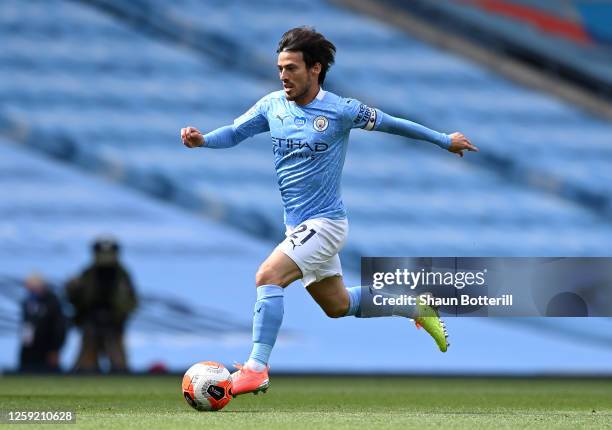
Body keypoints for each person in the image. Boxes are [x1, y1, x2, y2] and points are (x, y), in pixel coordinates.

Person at [181, 27, 478, 396]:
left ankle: (256, 368)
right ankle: (412, 305)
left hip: (326, 224)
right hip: (297, 226)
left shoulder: (341, 110)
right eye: (280, 68)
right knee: (338, 305)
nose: (283, 76)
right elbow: (236, 132)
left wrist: (443, 140)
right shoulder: (272, 106)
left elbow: (394, 123)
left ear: (315, 69)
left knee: (268, 276)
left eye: (291, 68)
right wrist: (204, 140)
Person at [66, 237, 138, 372]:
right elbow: (78, 299)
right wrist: (72, 291)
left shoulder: (122, 275)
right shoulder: (88, 274)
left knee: (119, 367)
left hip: (113, 325)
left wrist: (119, 316)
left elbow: (131, 301)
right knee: (86, 366)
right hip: (91, 323)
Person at [19, 274, 66, 373]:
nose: (29, 290)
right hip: (29, 350)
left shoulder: (53, 302)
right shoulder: (27, 302)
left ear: (40, 286)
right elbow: (26, 326)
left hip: (47, 350)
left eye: (32, 288)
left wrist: (55, 349)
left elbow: (59, 328)